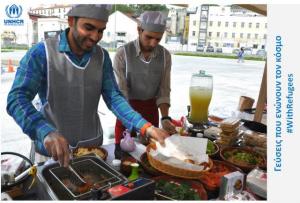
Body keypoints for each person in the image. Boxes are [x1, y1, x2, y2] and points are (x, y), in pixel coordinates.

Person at [6, 5, 169, 167]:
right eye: (89, 28)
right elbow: (16, 99)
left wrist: (146, 127)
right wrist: (45, 132)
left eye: (101, 30)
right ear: (71, 21)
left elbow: (114, 98)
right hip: (51, 152)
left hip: (92, 149)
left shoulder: (102, 57)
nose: (95, 36)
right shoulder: (42, 53)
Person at [113, 11, 176, 158]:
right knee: (124, 158)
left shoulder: (165, 56)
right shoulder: (123, 54)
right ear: (139, 29)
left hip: (151, 110)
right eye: (149, 37)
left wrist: (165, 118)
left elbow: (164, 89)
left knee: (149, 158)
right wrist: (134, 121)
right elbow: (121, 92)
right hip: (126, 110)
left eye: (158, 39)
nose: (153, 43)